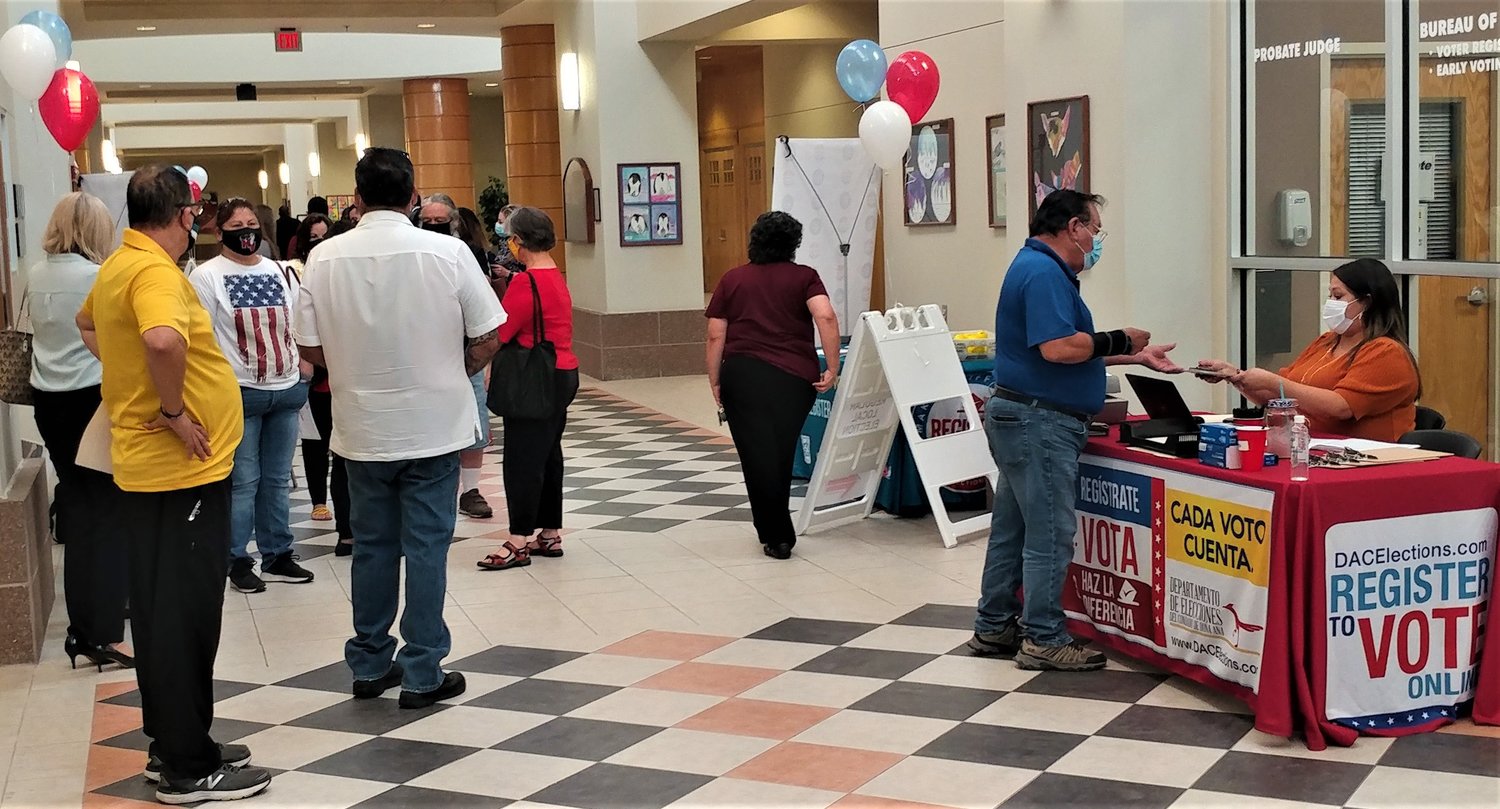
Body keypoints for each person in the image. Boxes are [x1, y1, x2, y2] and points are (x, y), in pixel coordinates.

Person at [77, 165, 270, 802]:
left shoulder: (116, 264)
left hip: (152, 471)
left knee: (163, 611)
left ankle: (175, 744)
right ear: (186, 216)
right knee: (183, 617)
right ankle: (189, 766)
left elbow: (89, 327)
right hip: (178, 469)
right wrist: (172, 410)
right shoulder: (156, 272)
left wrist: (131, 378)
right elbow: (162, 340)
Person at [295, 147, 504, 709]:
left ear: (357, 199)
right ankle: (422, 670)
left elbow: (308, 346)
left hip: (361, 427)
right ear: (413, 197)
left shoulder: (323, 258)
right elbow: (489, 335)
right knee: (427, 549)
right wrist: (447, 372)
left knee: (372, 548)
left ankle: (368, 664)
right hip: (435, 428)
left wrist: (351, 364)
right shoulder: (449, 251)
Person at [969, 189, 1181, 672]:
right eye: (1096, 229)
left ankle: (995, 623)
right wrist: (1122, 337)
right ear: (1074, 228)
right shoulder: (1043, 272)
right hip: (1039, 421)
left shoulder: (1039, 267)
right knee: (1050, 533)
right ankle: (1043, 636)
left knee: (1013, 528)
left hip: (1023, 415)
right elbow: (1059, 349)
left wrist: (1134, 357)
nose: (1097, 240)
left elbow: (1066, 348)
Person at [190, 199, 315, 594]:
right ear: (218, 231)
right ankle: (238, 559)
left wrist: (304, 369)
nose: (245, 231)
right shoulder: (206, 276)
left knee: (278, 480)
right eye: (236, 224)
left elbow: (298, 320)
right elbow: (202, 337)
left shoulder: (280, 271)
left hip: (286, 387)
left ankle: (278, 553)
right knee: (244, 481)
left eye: (250, 223)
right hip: (239, 392)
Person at [27, 192, 130, 671]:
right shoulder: (98, 275)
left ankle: (82, 625)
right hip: (91, 399)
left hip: (48, 403)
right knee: (107, 514)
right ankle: (99, 628)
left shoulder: (36, 272)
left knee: (79, 508)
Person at [705, 212, 839, 560]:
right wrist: (833, 366)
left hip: (743, 375)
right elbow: (824, 315)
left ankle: (774, 533)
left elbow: (715, 334)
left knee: (756, 455)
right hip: (794, 377)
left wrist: (715, 379)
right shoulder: (805, 277)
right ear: (794, 244)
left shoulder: (733, 279)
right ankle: (777, 532)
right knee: (780, 450)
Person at [1198, 258, 1420, 442]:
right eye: (1330, 295)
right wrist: (1236, 376)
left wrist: (1274, 383)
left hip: (1363, 462)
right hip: (1307, 449)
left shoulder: (1386, 352)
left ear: (1367, 303)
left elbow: (1341, 407)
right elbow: (1278, 397)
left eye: (1338, 296)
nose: (1331, 302)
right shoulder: (1327, 342)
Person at [477, 208, 579, 571]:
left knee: (522, 460)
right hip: (562, 372)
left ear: (518, 241)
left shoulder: (525, 282)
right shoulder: (556, 276)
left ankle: (518, 540)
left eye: (510, 238)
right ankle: (549, 532)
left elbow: (502, 332)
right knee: (549, 455)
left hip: (533, 379)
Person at [420, 194, 496, 519]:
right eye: (429, 221)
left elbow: (484, 308)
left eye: (441, 221)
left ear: (453, 222)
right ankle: (437, 491)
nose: (434, 226)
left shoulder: (468, 253)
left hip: (465, 352)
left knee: (475, 420)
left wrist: (483, 359)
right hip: (424, 353)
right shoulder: (414, 254)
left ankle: (472, 490)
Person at [290, 214, 351, 552]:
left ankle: (350, 530)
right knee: (321, 447)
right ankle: (334, 515)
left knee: (345, 458)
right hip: (321, 381)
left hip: (344, 379)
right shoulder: (303, 275)